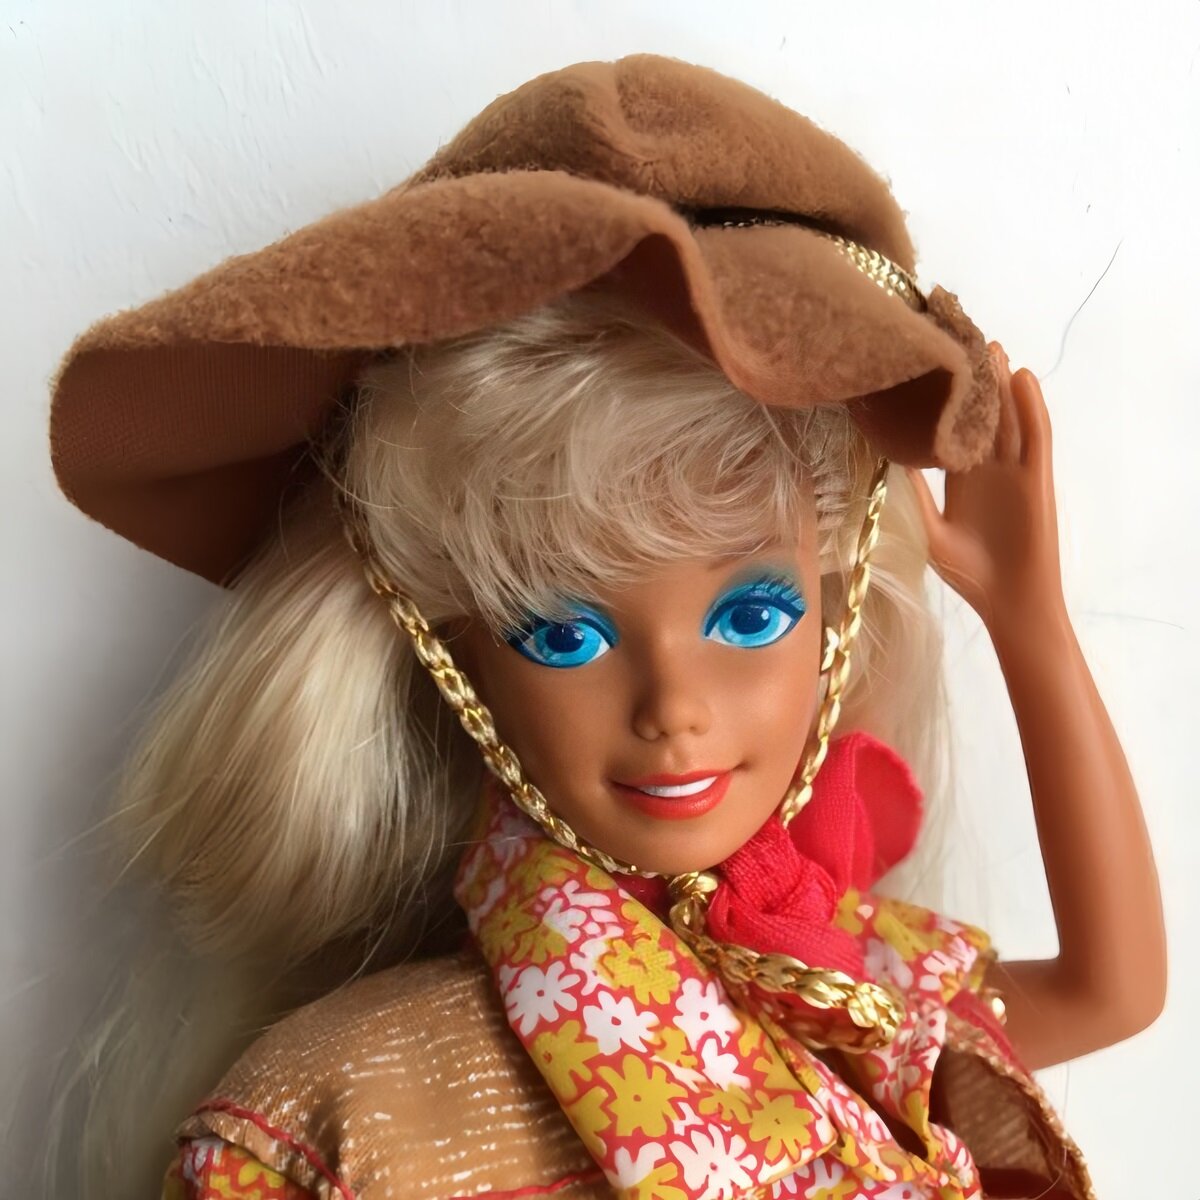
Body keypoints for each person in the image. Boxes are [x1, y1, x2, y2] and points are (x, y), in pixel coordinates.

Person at [48, 55, 1164, 1200]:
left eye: (753, 614)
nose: (673, 708)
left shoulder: (850, 1002)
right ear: (458, 658)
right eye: (563, 635)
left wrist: (1030, 627)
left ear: (838, 615)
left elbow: (1112, 995)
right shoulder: (346, 1115)